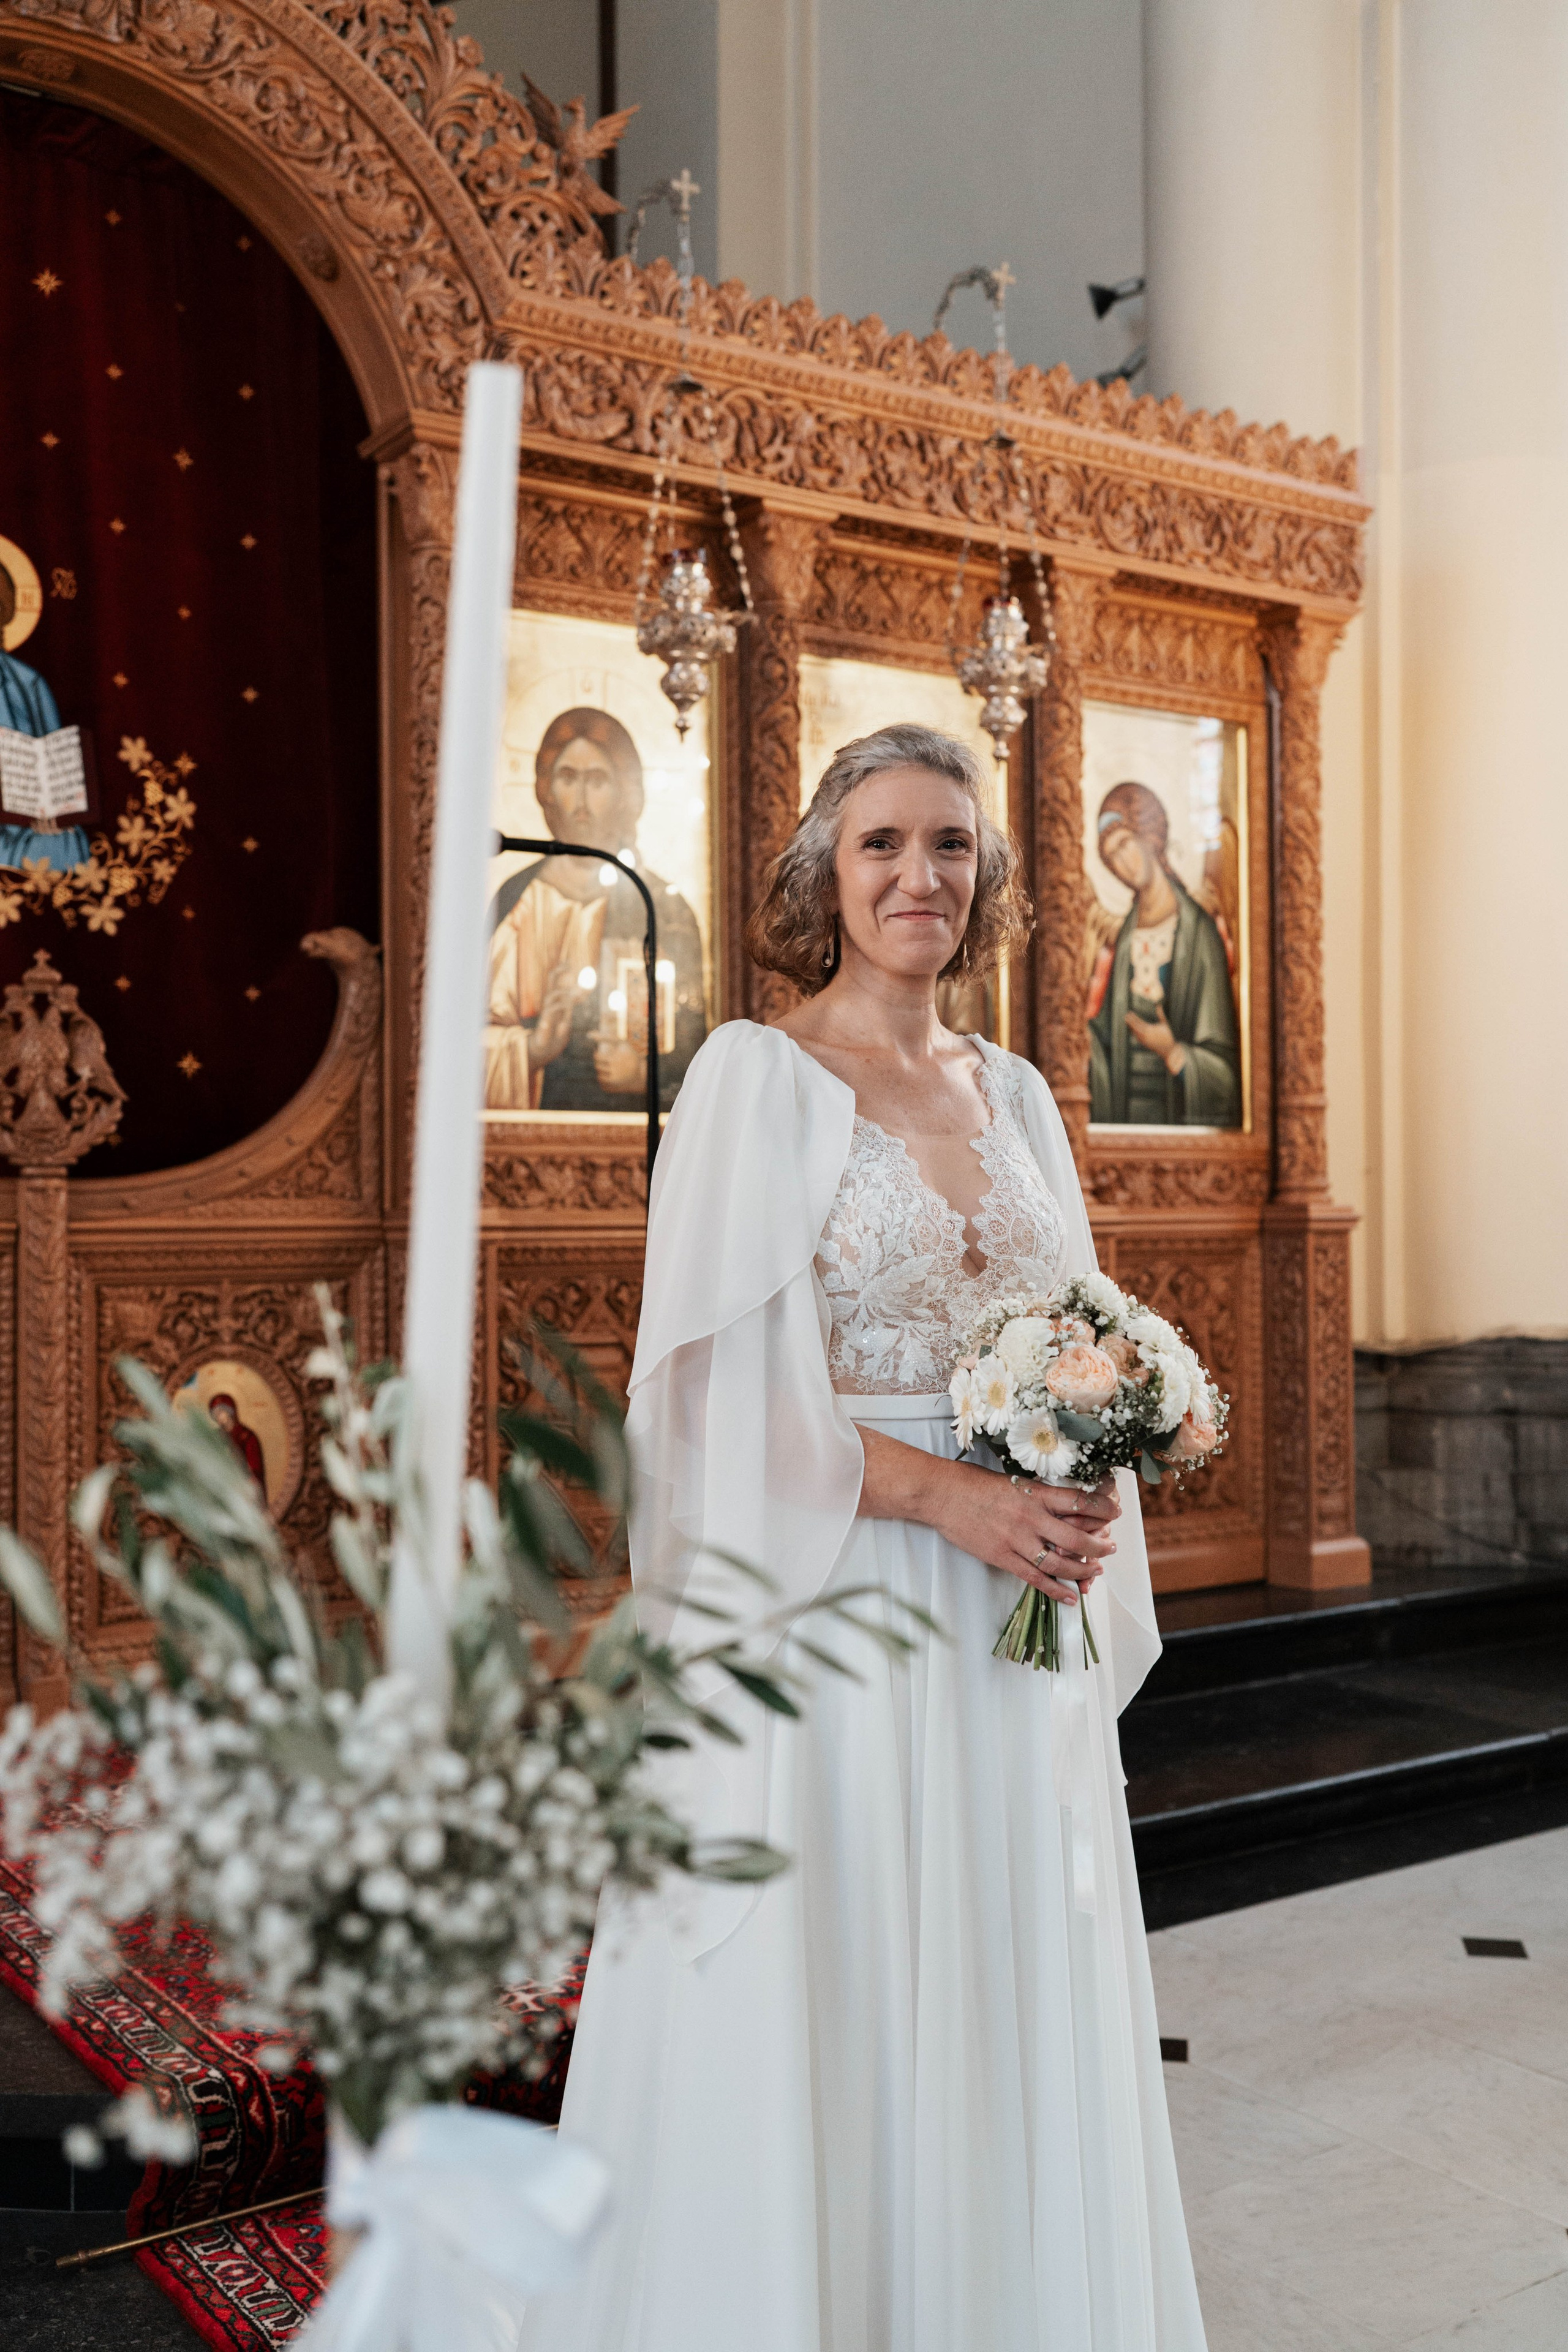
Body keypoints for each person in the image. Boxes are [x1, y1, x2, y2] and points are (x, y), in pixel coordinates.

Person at [522, 724, 1207, 2351]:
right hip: (832, 1609)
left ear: (988, 879)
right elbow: (705, 1402)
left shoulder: (1022, 1092)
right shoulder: (760, 1081)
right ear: (825, 872)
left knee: (1005, 1984)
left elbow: (1076, 1329)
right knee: (841, 1985)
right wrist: (956, 1499)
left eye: (953, 847)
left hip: (1008, 1633)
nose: (923, 875)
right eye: (886, 843)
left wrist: (1093, 1454)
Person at [484, 707, 707, 1114]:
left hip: (632, 1139)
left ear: (624, 792)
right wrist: (532, 1050)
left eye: (598, 781)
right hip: (531, 1135)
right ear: (547, 788)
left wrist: (642, 1075)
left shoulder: (660, 905)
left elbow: (699, 1052)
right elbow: (462, 1045)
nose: (581, 802)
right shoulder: (516, 898)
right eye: (568, 778)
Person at [1088, 780, 1240, 1127]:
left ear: (1149, 836)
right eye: (1111, 856)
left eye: (1125, 844)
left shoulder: (1198, 933)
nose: (1122, 863)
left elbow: (1226, 1075)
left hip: (1180, 1117)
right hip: (1122, 1125)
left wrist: (1174, 1052)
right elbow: (1105, 1038)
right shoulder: (1126, 938)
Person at [0, 554, 91, 875]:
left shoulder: (28, 683)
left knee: (64, 845)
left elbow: (54, 762)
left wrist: (54, 811)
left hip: (22, 824)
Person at [208, 1392, 266, 1493]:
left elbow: (256, 1469)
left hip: (243, 1487)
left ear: (230, 1412)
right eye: (216, 1414)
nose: (219, 1417)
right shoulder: (215, 1437)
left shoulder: (247, 1436)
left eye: (221, 1413)